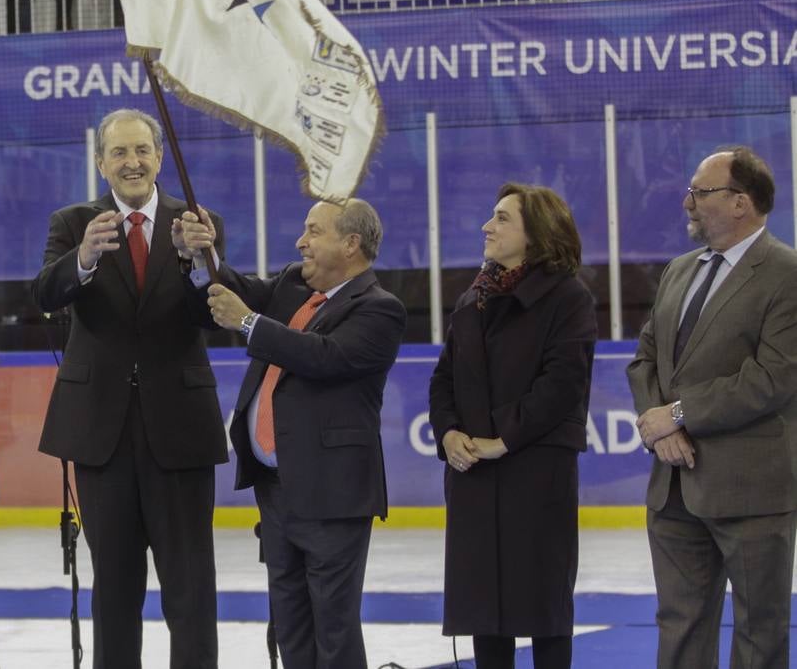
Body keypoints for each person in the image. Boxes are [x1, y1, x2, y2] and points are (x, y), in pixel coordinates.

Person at [32, 108, 226, 669]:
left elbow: (215, 314)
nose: (132, 162)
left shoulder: (197, 221)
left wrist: (200, 263)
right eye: (119, 152)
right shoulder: (72, 223)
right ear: (101, 163)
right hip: (102, 431)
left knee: (190, 588)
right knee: (114, 588)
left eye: (142, 150)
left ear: (160, 158)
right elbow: (44, 293)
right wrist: (84, 260)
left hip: (180, 430)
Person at [177, 198, 406, 668]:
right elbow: (231, 287)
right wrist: (200, 256)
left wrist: (246, 321)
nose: (301, 241)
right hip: (276, 491)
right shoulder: (291, 285)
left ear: (350, 243)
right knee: (291, 624)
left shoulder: (380, 309)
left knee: (334, 629)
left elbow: (323, 357)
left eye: (314, 231)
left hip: (331, 493)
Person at [627, 146, 797, 669]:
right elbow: (646, 359)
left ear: (741, 202)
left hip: (751, 488)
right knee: (678, 626)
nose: (687, 203)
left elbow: (772, 378)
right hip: (673, 487)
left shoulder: (786, 272)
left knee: (759, 631)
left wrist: (678, 414)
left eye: (700, 192)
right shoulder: (680, 271)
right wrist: (660, 428)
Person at [428, 183, 596, 669]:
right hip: (474, 470)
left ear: (537, 233)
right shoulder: (473, 299)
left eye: (502, 218)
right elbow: (444, 378)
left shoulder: (569, 298)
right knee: (483, 608)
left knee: (543, 606)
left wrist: (505, 438)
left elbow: (562, 382)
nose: (488, 226)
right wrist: (449, 432)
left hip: (536, 468)